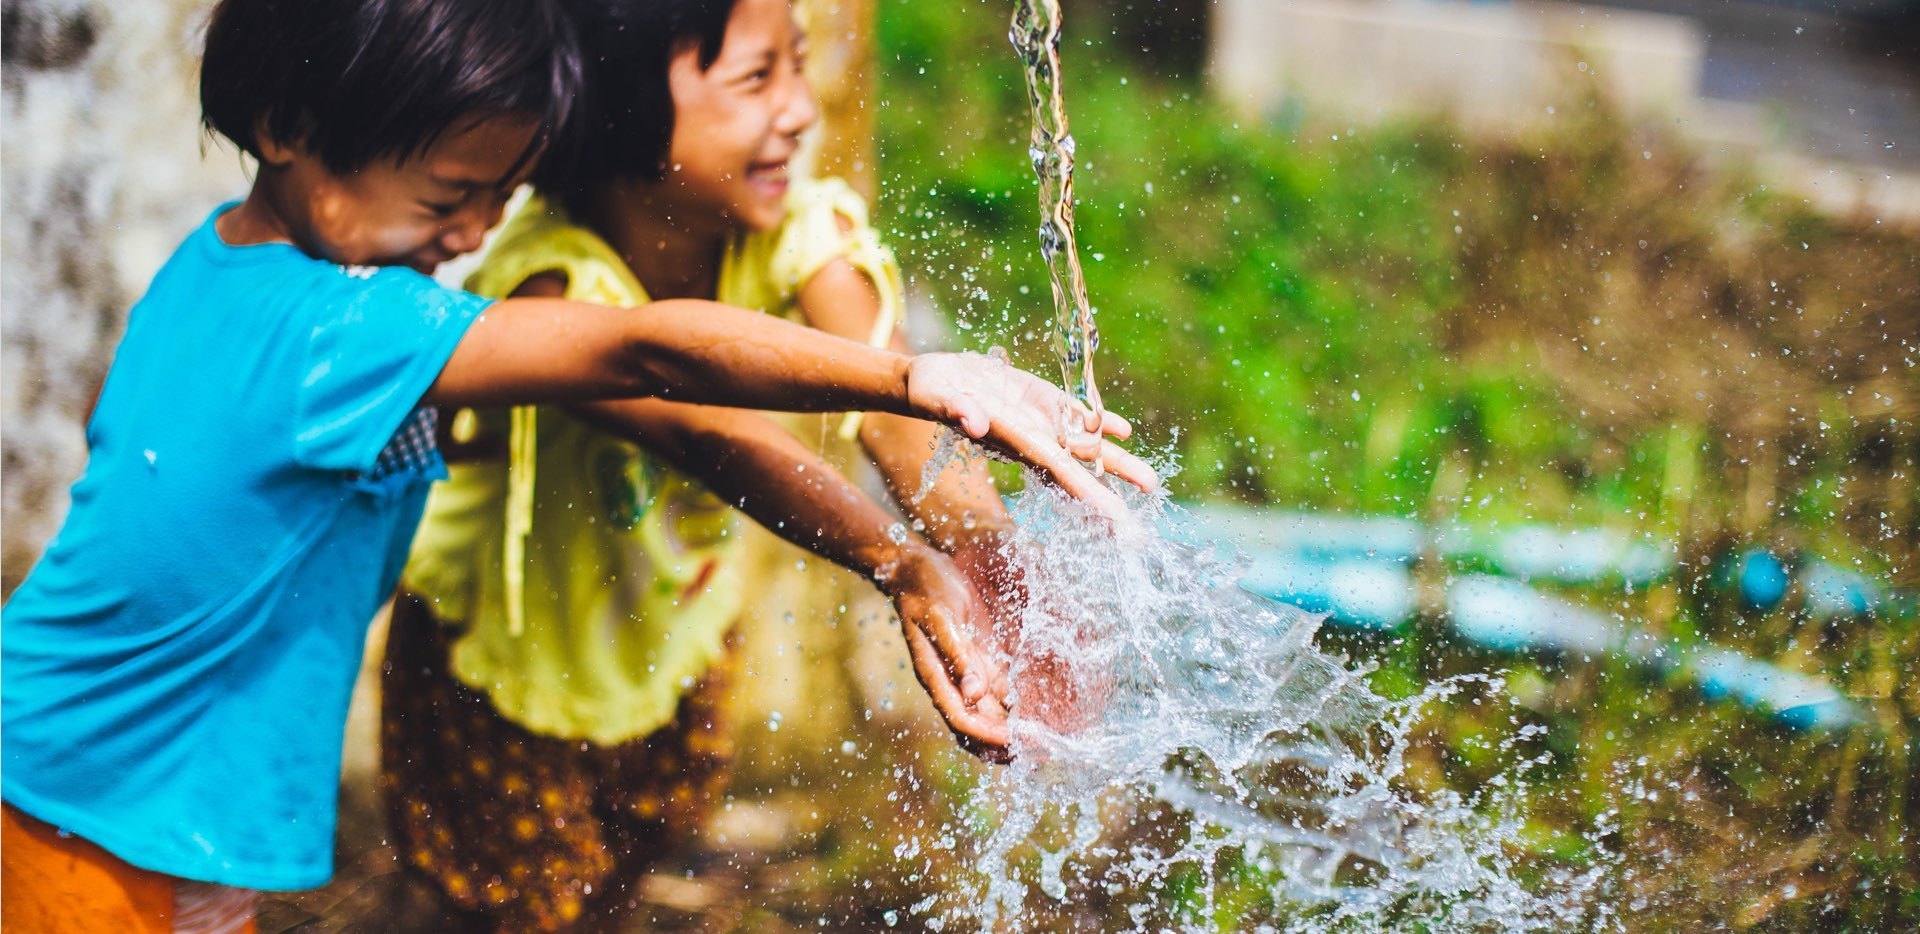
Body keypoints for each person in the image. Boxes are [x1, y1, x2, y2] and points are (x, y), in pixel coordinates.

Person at [0, 0, 1153, 929]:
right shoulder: (343, 327)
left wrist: (938, 549)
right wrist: (913, 380)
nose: (471, 238)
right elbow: (645, 348)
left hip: (147, 786)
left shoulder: (214, 268)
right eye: (451, 198)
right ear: (291, 124)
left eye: (500, 195)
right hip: (90, 801)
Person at [381, 0, 1085, 926]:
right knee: (513, 909)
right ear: (619, 102)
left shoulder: (797, 228)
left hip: (679, 632)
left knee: (630, 861)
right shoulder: (546, 281)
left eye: (798, 67)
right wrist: (897, 559)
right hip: (502, 665)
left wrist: (983, 546)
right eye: (757, 79)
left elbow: (903, 415)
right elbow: (710, 432)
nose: (797, 110)